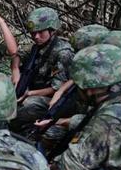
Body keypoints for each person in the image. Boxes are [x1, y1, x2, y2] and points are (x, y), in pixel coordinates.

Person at [10, 7, 74, 137]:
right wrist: (15, 71)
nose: (36, 37)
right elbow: (17, 55)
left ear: (52, 30)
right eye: (33, 33)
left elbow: (56, 88)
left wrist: (29, 93)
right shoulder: (38, 45)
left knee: (26, 105)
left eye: (40, 33)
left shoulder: (63, 53)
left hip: (53, 99)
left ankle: (13, 128)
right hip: (33, 88)